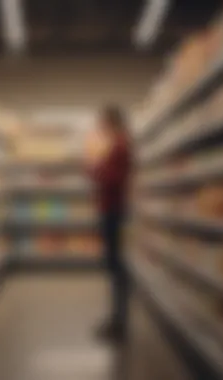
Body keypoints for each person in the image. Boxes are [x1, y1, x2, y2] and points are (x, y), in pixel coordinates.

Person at [86, 105, 132, 342]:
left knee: (115, 267)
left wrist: (95, 168)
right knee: (114, 266)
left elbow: (112, 178)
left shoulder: (120, 144)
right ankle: (116, 319)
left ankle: (118, 323)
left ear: (111, 121)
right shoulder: (118, 144)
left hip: (113, 211)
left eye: (102, 122)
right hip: (112, 210)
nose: (100, 127)